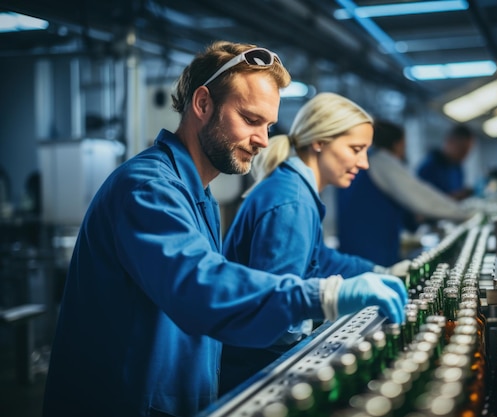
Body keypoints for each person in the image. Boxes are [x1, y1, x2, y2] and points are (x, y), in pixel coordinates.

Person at [41, 41, 407, 417]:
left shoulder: (199, 195)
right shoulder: (147, 187)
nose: (264, 141)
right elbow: (199, 284)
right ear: (202, 104)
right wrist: (324, 295)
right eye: (250, 120)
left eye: (268, 126)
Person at [220, 92, 412, 396]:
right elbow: (278, 319)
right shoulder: (291, 201)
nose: (363, 163)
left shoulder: (296, 190)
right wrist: (327, 306)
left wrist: (381, 271)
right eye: (356, 149)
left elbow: (319, 258)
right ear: (320, 142)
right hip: (255, 373)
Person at [337, 120, 472, 266]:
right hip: (370, 252)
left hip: (354, 250)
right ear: (396, 144)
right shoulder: (382, 162)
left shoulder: (367, 162)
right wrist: (465, 214)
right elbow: (422, 198)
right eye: (404, 145)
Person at [416, 123, 475, 200]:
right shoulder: (428, 168)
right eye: (462, 150)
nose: (465, 155)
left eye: (467, 151)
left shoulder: (458, 167)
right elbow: (421, 200)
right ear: (450, 141)